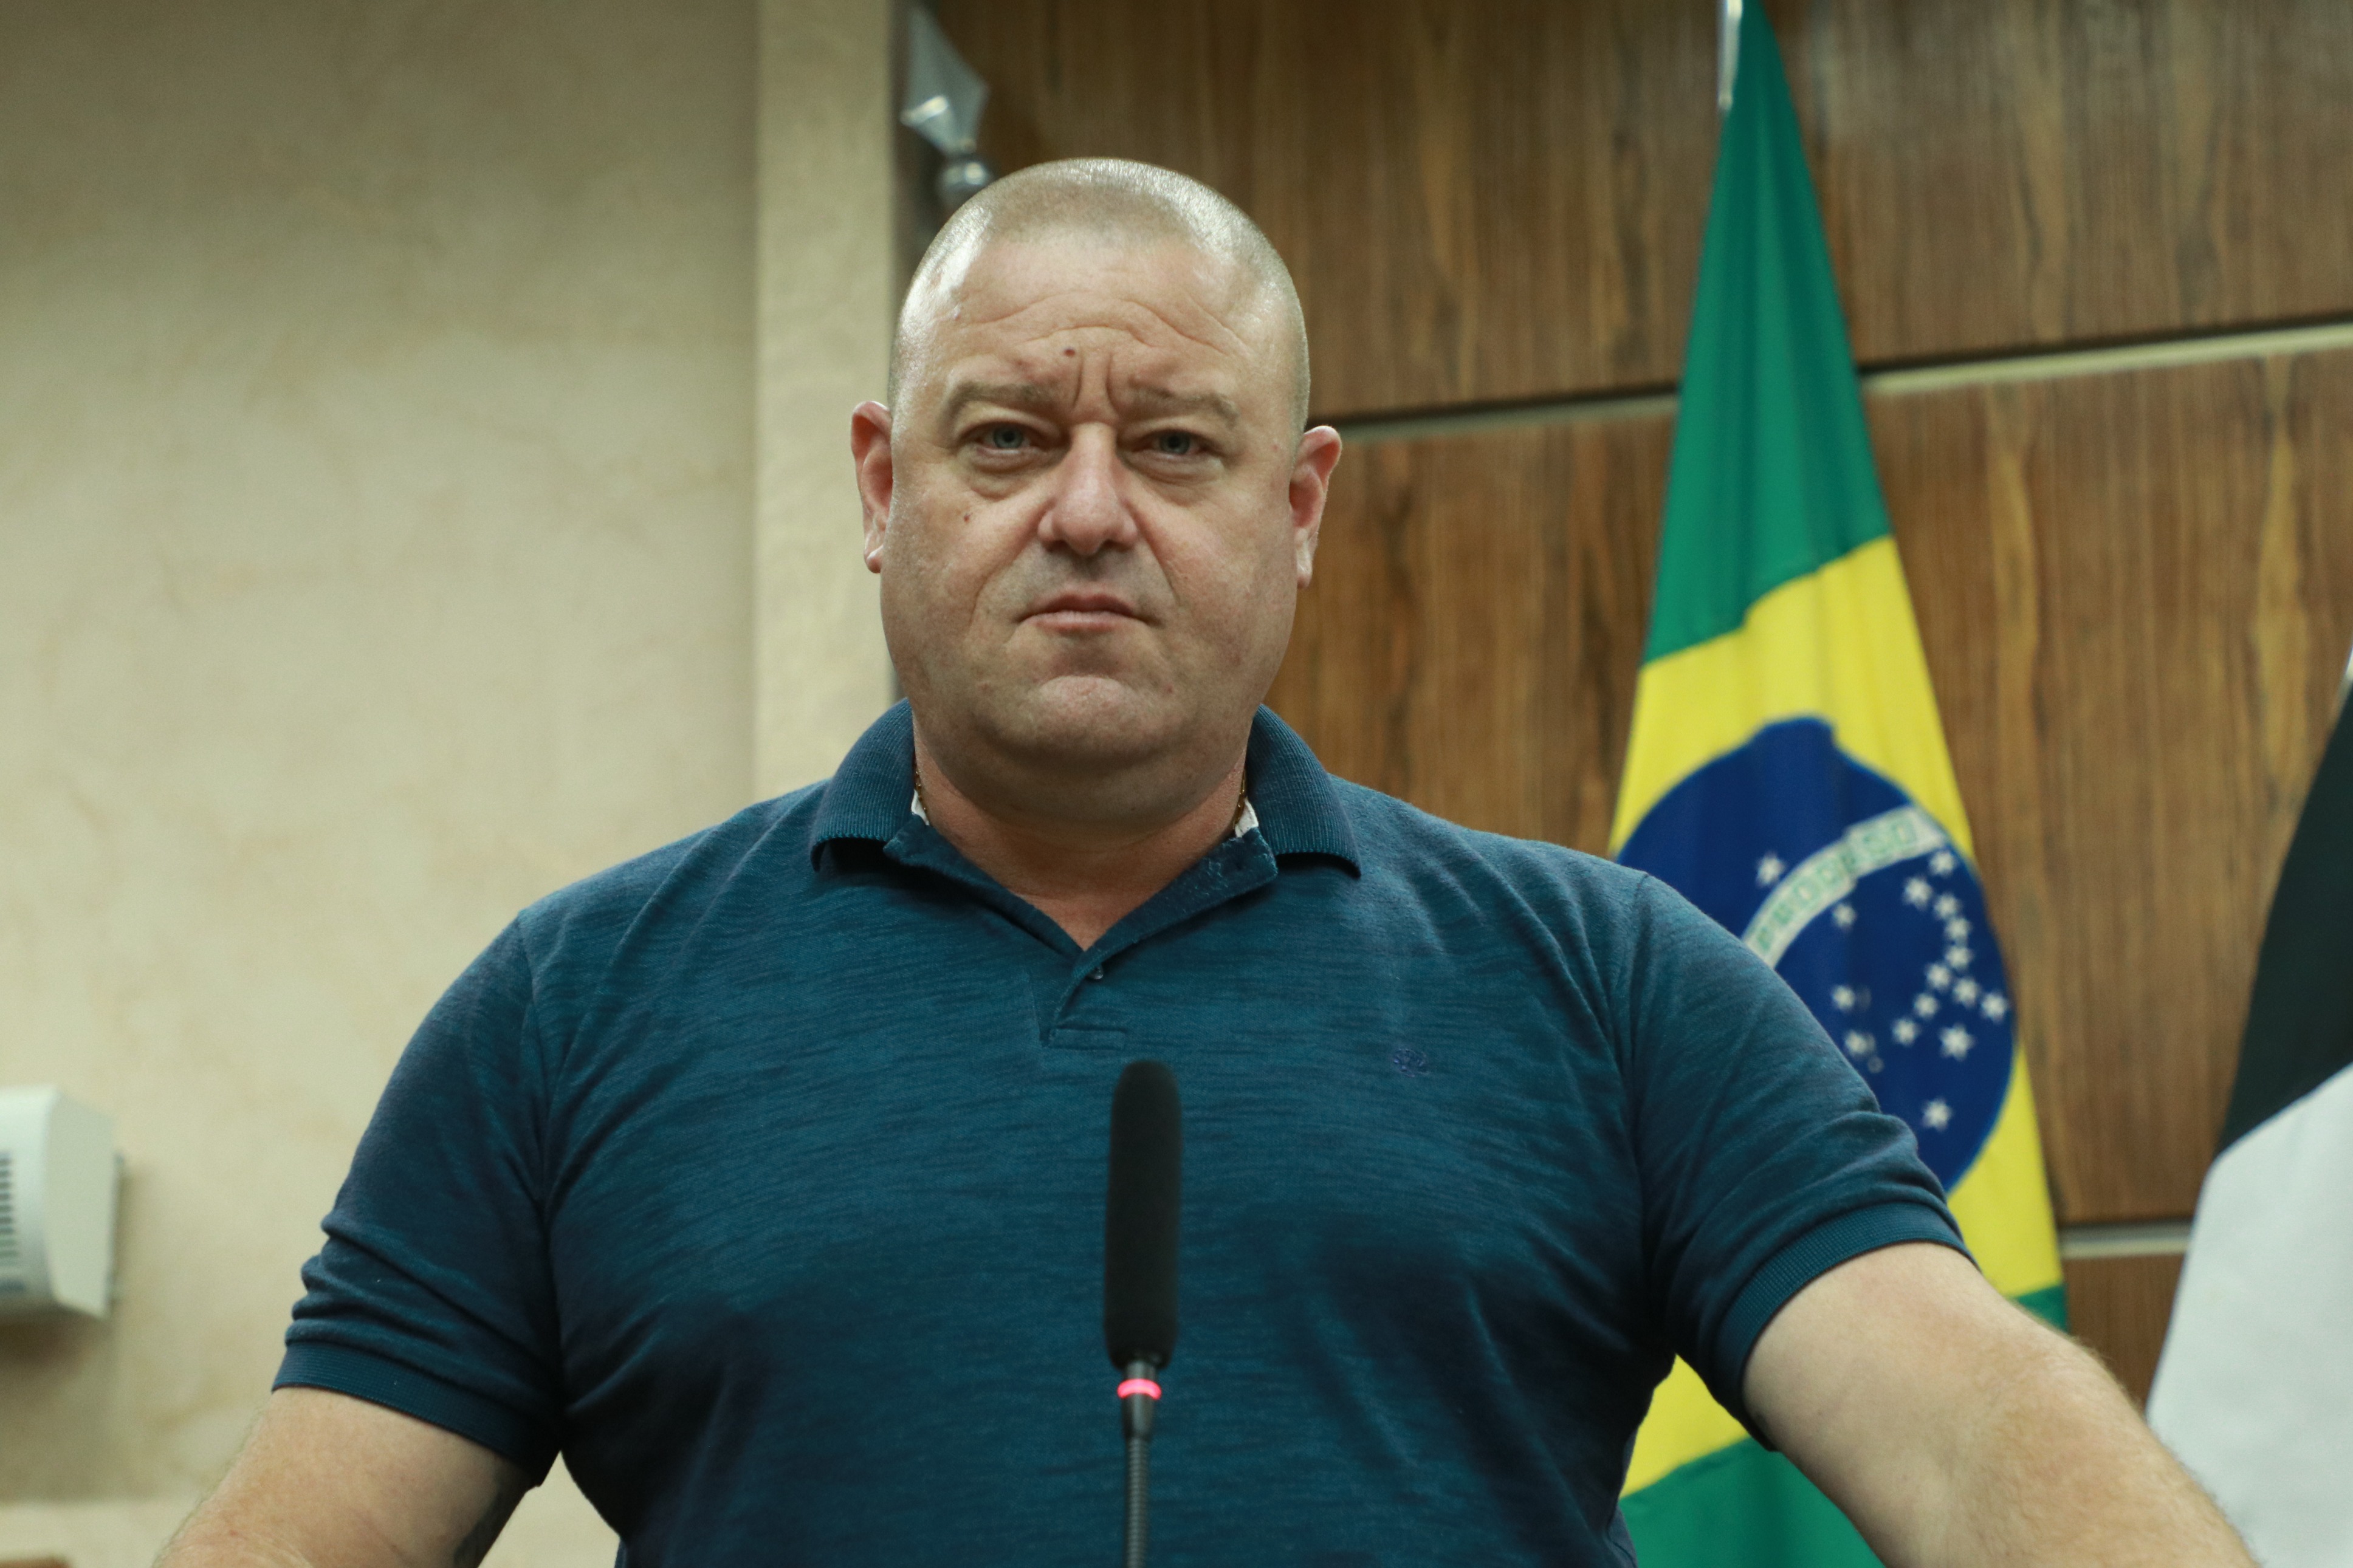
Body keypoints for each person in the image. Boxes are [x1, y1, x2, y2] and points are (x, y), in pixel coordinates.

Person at [160, 159, 2250, 1567]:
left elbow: (1970, 1426)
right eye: (1007, 439)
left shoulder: (1612, 983)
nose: (1088, 512)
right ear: (882, 488)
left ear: (1299, 507)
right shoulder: (571, 1010)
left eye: (1174, 446)